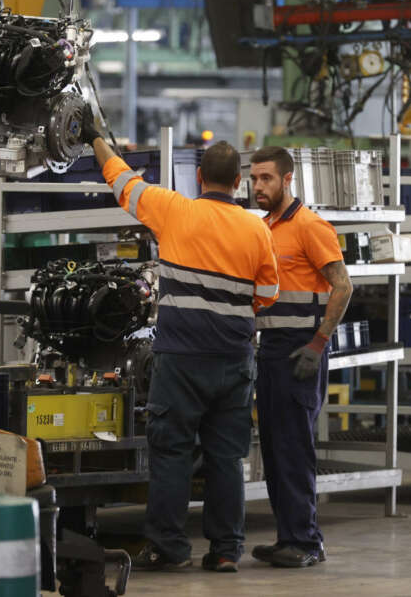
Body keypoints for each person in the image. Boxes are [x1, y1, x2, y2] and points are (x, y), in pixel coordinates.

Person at [82, 113, 280, 573]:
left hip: (181, 360)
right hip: (234, 361)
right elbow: (267, 295)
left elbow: (122, 180)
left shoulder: (173, 209)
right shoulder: (257, 229)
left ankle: (170, 549)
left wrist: (95, 137)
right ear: (238, 182)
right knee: (227, 458)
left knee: (171, 455)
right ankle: (227, 549)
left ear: (198, 177)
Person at [248, 145, 353, 569]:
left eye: (266, 178)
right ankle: (287, 536)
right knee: (273, 449)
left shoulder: (311, 227)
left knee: (294, 449)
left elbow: (343, 286)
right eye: (253, 178)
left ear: (287, 179)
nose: (257, 186)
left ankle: (307, 542)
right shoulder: (264, 228)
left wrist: (318, 343)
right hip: (270, 351)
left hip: (300, 352)